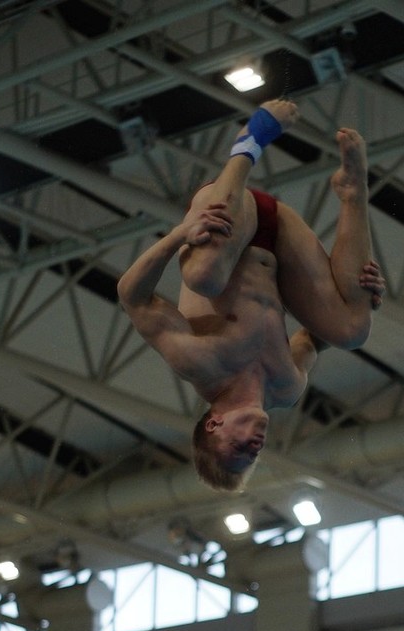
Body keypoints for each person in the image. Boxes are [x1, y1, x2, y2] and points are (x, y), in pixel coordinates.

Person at [118, 99, 384, 492]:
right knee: (353, 331)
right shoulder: (287, 387)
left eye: (238, 448)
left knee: (203, 278)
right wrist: (361, 298)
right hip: (281, 239)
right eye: (254, 454)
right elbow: (314, 338)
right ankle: (352, 191)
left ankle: (249, 142)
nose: (255, 446)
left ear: (214, 424)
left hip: (224, 218)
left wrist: (179, 235)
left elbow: (132, 296)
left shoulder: (198, 362)